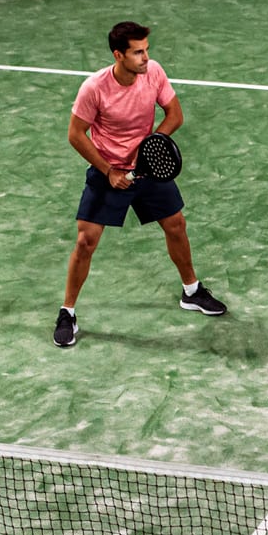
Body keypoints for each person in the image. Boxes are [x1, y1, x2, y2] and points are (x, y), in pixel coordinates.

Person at [53, 21, 227, 347]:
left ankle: (191, 291)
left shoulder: (154, 72)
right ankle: (68, 311)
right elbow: (75, 135)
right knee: (86, 241)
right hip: (109, 173)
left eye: (146, 50)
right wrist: (108, 171)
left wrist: (150, 149)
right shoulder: (95, 88)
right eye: (137, 52)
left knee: (176, 225)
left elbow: (175, 114)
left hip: (145, 172)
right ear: (119, 55)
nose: (145, 58)